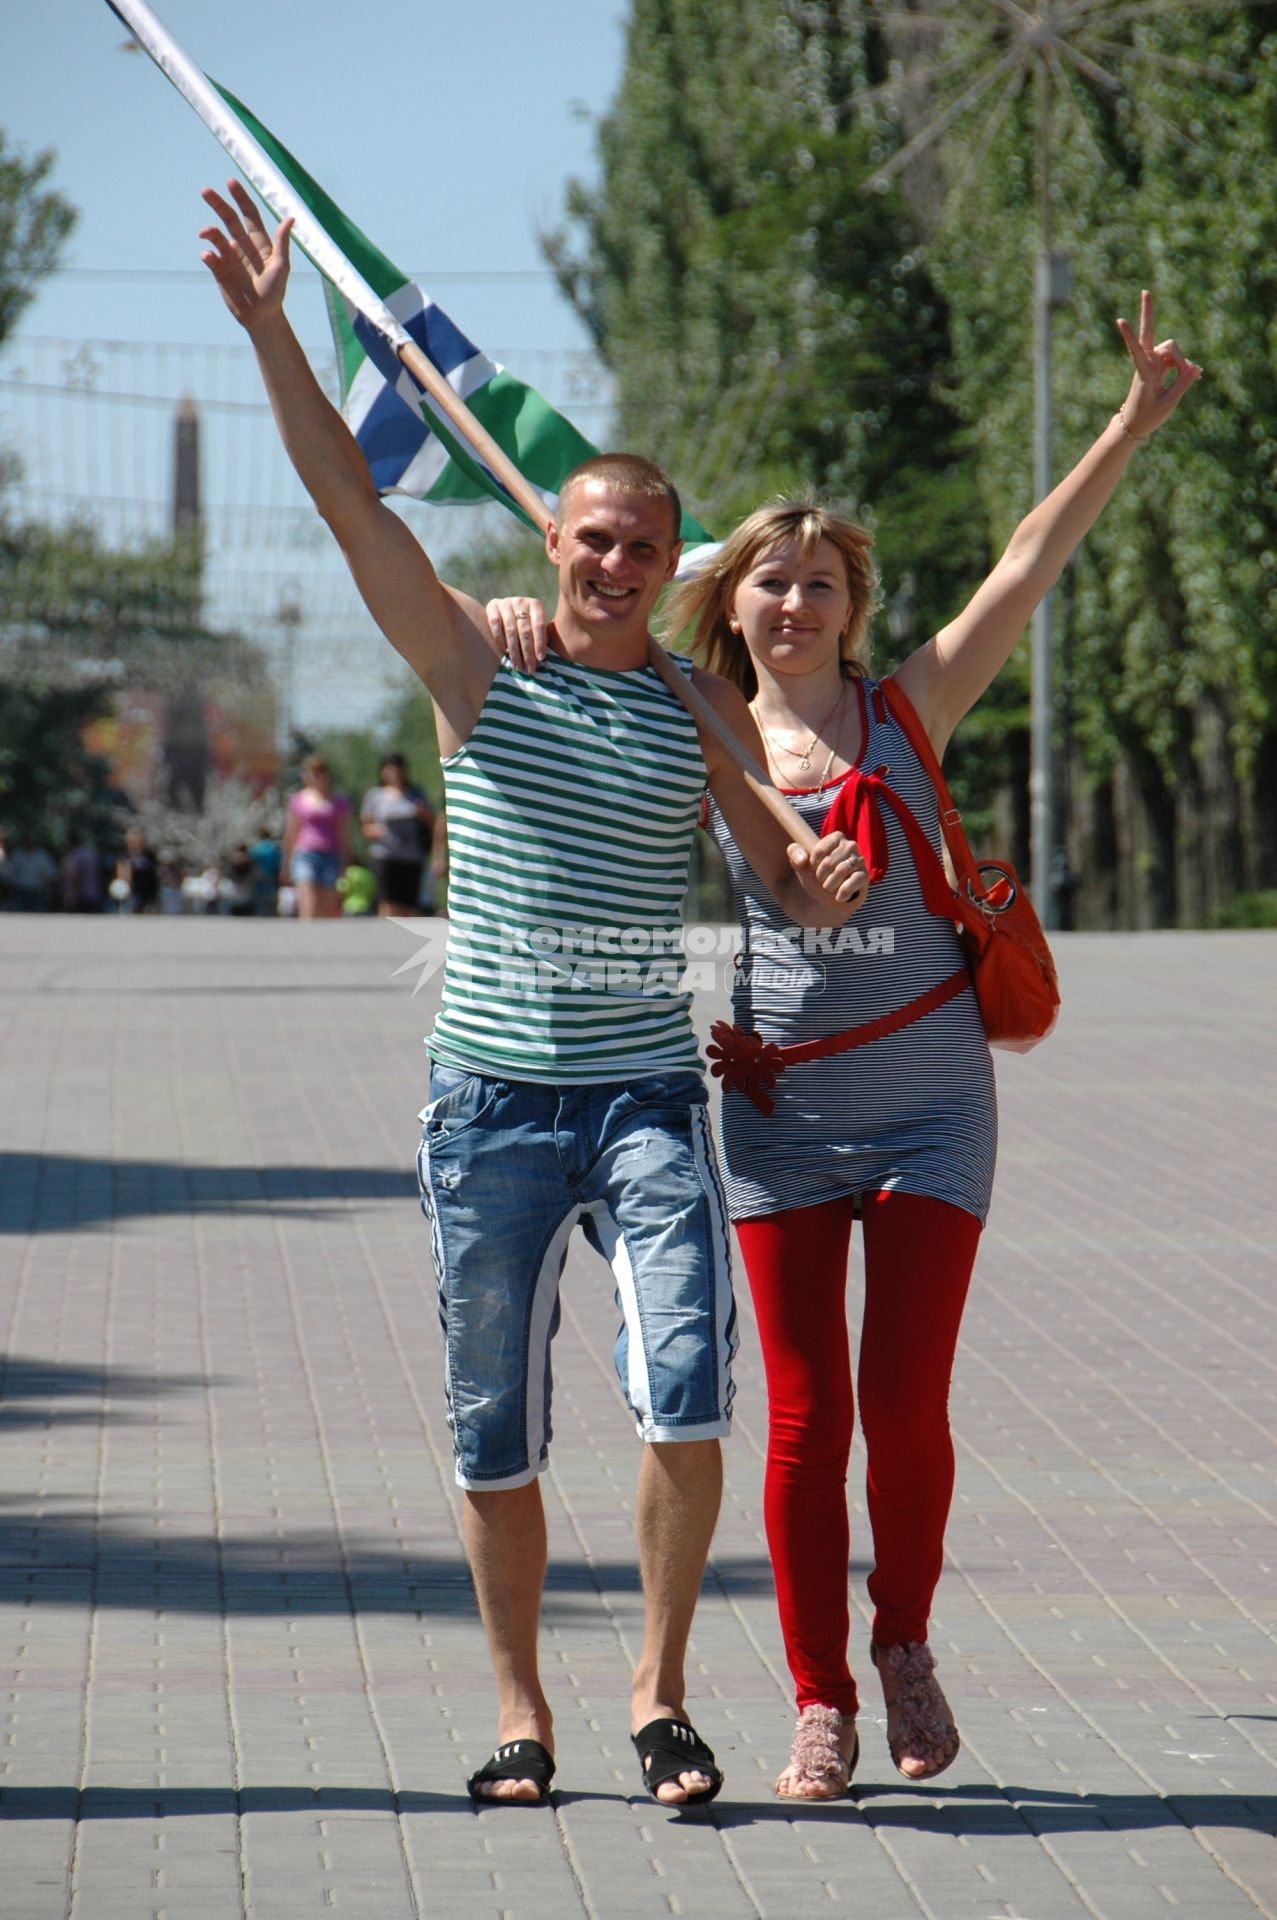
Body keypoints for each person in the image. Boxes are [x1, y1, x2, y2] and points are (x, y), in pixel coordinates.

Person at [198, 179, 868, 1809]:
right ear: (549, 547)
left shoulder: (699, 712)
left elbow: (779, 871)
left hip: (645, 1103)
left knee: (687, 1391)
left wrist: (820, 892)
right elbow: (351, 499)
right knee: (489, 1428)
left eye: (642, 543)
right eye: (589, 539)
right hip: (486, 1103)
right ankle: (521, 1716)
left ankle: (654, 1697)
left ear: (665, 564)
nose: (614, 561)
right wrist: (275, 330)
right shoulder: (471, 665)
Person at [486, 291, 1200, 1798]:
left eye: (820, 583)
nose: (796, 604)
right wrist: (515, 619)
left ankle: (905, 1641)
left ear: (852, 610)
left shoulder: (907, 709)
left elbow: (1028, 560)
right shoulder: (692, 723)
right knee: (806, 1420)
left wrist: (1129, 423)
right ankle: (819, 1702)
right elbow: (567, 664)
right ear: (728, 602)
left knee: (910, 1405)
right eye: (770, 582)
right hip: (780, 1118)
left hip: (935, 1096)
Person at [360, 753, 435, 915]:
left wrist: (423, 814)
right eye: (389, 768)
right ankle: (386, 937)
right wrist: (378, 830)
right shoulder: (375, 795)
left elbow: (432, 823)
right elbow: (365, 827)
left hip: (412, 856)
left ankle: (406, 938)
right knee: (388, 902)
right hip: (386, 855)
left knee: (409, 905)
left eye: (397, 768)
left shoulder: (415, 794)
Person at [281, 756, 351, 919]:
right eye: (312, 772)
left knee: (327, 906)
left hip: (330, 855)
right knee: (308, 901)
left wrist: (345, 864)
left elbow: (344, 835)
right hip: (305, 854)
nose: (316, 776)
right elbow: (291, 832)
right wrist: (286, 862)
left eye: (320, 772)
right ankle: (307, 939)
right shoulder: (298, 800)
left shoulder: (338, 802)